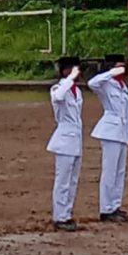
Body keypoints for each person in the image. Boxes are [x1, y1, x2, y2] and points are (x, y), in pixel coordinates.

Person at [88, 55, 128, 223]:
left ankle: (115, 205)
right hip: (110, 131)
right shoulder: (106, 84)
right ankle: (105, 209)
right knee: (109, 171)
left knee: (120, 171)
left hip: (121, 131)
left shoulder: (123, 86)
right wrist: (110, 73)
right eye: (119, 67)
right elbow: (92, 83)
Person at [47, 56, 83, 231]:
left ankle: (67, 213)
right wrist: (69, 79)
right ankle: (59, 216)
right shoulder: (58, 87)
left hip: (75, 138)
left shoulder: (77, 91)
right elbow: (59, 96)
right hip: (64, 138)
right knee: (62, 180)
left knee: (73, 180)